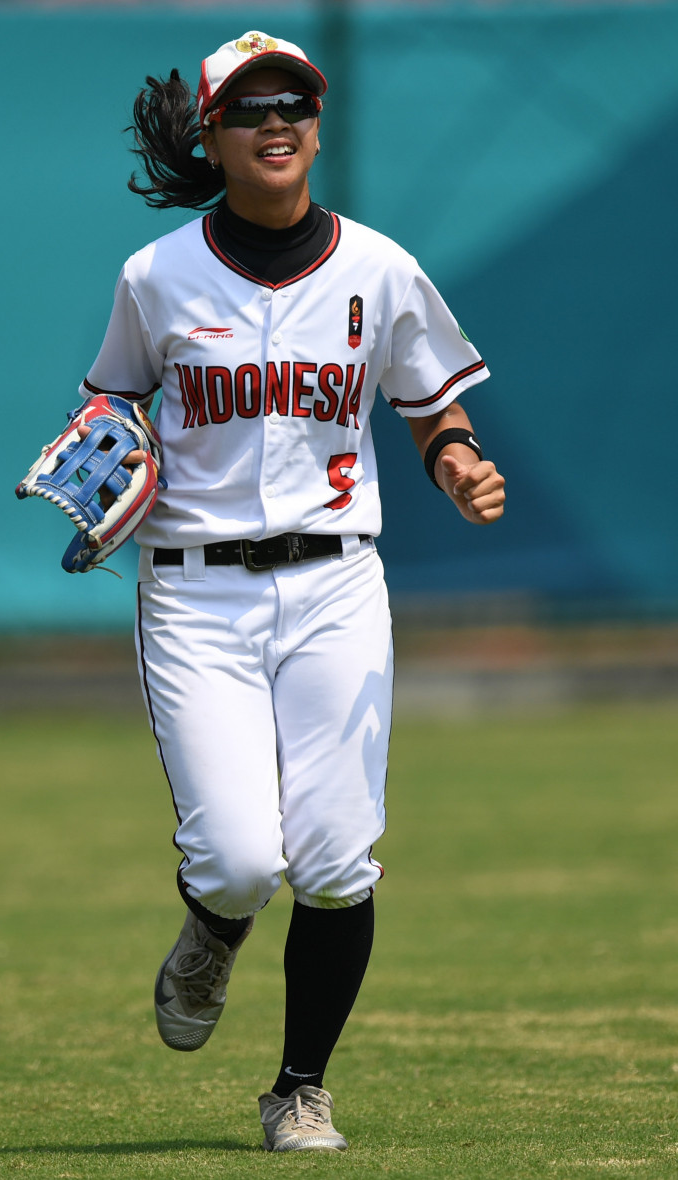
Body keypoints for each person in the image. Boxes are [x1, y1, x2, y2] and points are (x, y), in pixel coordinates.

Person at [77, 30, 505, 1152]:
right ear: (212, 136)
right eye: (251, 107)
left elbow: (432, 402)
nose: (277, 122)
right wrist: (103, 456)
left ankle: (297, 1087)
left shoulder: (375, 265)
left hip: (333, 585)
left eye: (295, 104)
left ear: (316, 127)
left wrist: (453, 459)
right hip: (195, 590)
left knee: (331, 858)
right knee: (238, 859)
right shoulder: (156, 276)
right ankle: (212, 928)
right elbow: (111, 412)